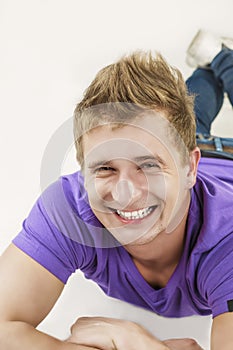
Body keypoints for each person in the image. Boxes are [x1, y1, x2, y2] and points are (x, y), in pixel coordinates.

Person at [0, 29, 233, 350]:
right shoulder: (70, 208)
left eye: (148, 165)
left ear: (191, 168)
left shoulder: (227, 241)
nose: (125, 193)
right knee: (193, 114)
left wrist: (140, 343)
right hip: (181, 149)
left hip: (225, 163)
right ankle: (206, 68)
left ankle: (222, 58)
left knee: (196, 119)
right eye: (106, 168)